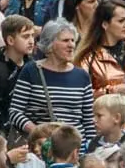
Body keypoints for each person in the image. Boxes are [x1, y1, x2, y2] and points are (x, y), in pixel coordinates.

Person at [8, 18, 96, 151]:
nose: (71, 45)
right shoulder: (31, 71)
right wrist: (39, 132)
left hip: (75, 151)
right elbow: (15, 112)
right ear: (50, 44)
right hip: (42, 150)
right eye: (65, 40)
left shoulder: (82, 76)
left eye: (73, 40)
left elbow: (88, 122)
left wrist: (90, 152)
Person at [76, 0, 125, 101]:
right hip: (107, 113)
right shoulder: (89, 57)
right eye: (121, 21)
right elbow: (82, 94)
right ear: (105, 24)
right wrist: (111, 91)